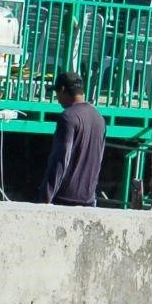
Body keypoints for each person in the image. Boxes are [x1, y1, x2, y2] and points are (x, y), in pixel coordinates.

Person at [41, 70, 106, 207]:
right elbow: (98, 160)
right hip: (88, 199)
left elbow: (60, 159)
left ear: (63, 90)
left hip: (65, 199)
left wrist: (46, 196)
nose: (57, 99)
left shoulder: (68, 117)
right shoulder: (99, 118)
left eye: (57, 93)